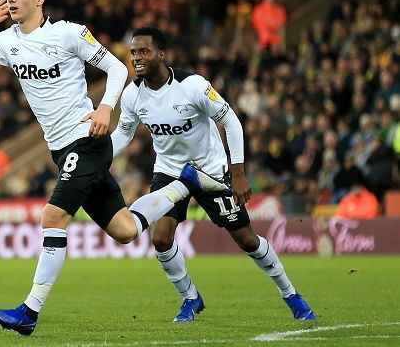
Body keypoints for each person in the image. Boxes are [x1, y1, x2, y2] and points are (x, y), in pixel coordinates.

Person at [0, 0, 223, 335]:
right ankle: (186, 183)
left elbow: (116, 68)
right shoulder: (5, 42)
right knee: (126, 230)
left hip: (87, 142)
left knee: (52, 217)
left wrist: (107, 107)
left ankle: (29, 312)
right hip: (59, 149)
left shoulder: (68, 34)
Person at [110, 26, 315, 322]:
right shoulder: (132, 95)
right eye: (133, 52)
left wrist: (239, 172)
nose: (137, 58)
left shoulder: (193, 86)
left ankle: (292, 295)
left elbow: (231, 121)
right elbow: (124, 134)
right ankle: (190, 298)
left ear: (161, 54)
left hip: (209, 170)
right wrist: (98, 156)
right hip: (169, 171)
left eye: (144, 51)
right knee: (161, 239)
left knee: (246, 240)